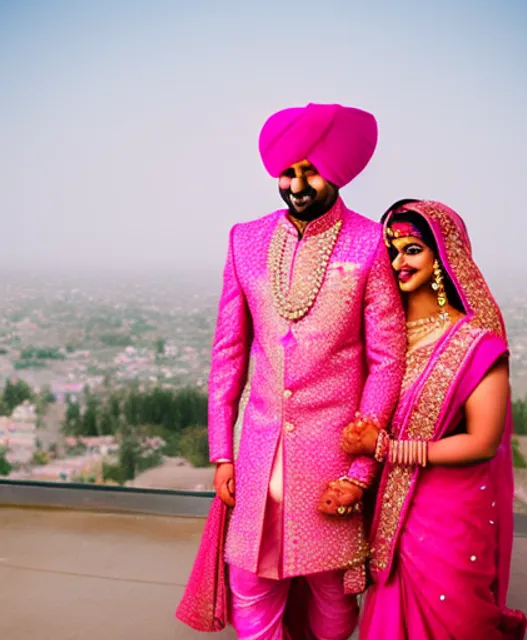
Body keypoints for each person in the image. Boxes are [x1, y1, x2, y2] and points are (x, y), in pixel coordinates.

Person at [179, 103, 406, 640]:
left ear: (336, 172)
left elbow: (387, 360)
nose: (297, 185)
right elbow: (227, 354)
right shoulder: (245, 239)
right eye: (288, 172)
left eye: (310, 172)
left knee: (331, 597)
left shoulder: (370, 242)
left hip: (332, 458)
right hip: (256, 456)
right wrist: (221, 453)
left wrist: (359, 472)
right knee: (250, 585)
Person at [341, 199, 527, 639]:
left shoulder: (476, 344)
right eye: (390, 249)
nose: (398, 261)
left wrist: (387, 449)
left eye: (412, 249)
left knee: (455, 615)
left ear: (443, 255)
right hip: (388, 501)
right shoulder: (381, 336)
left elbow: (483, 441)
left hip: (448, 507)